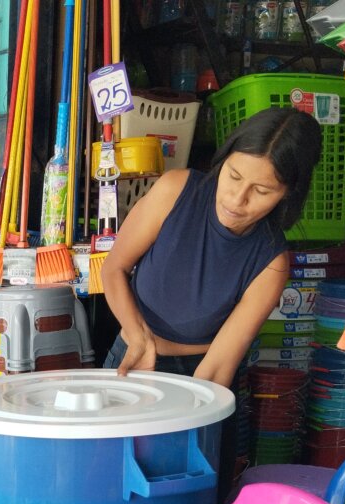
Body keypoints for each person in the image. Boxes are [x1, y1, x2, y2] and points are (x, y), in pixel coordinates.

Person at [101, 107, 322, 388]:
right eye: (234, 176)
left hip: (203, 372)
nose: (237, 199)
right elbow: (114, 268)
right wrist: (137, 334)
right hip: (132, 352)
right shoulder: (174, 190)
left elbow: (218, 367)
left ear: (287, 193)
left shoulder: (271, 262)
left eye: (262, 191)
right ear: (224, 158)